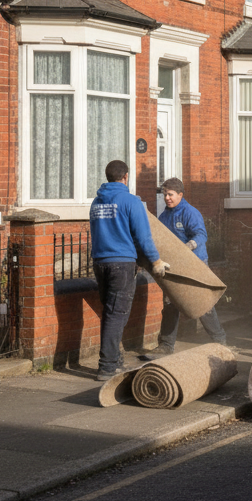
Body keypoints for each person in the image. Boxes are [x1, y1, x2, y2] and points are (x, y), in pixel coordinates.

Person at [90, 160, 166, 382]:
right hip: (121, 263)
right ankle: (106, 366)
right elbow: (143, 237)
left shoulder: (96, 202)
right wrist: (156, 261)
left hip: (100, 262)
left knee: (110, 311)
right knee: (117, 314)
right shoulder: (131, 202)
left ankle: (115, 358)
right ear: (125, 176)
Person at [157, 177, 226, 352]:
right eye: (165, 194)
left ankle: (220, 342)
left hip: (196, 264)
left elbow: (201, 235)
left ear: (180, 194)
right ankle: (166, 345)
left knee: (202, 304)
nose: (167, 198)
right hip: (175, 266)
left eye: (170, 194)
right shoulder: (164, 216)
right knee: (170, 304)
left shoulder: (190, 212)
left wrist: (188, 247)